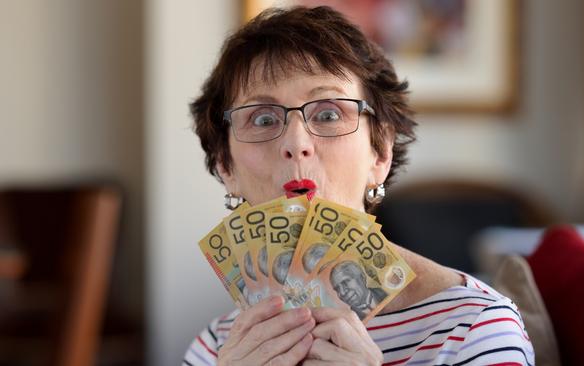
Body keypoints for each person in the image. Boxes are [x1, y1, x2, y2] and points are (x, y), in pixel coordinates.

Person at [184, 6, 534, 366]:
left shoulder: (475, 328)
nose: (296, 142)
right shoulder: (216, 346)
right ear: (226, 165)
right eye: (262, 118)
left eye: (329, 113)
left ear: (380, 152)